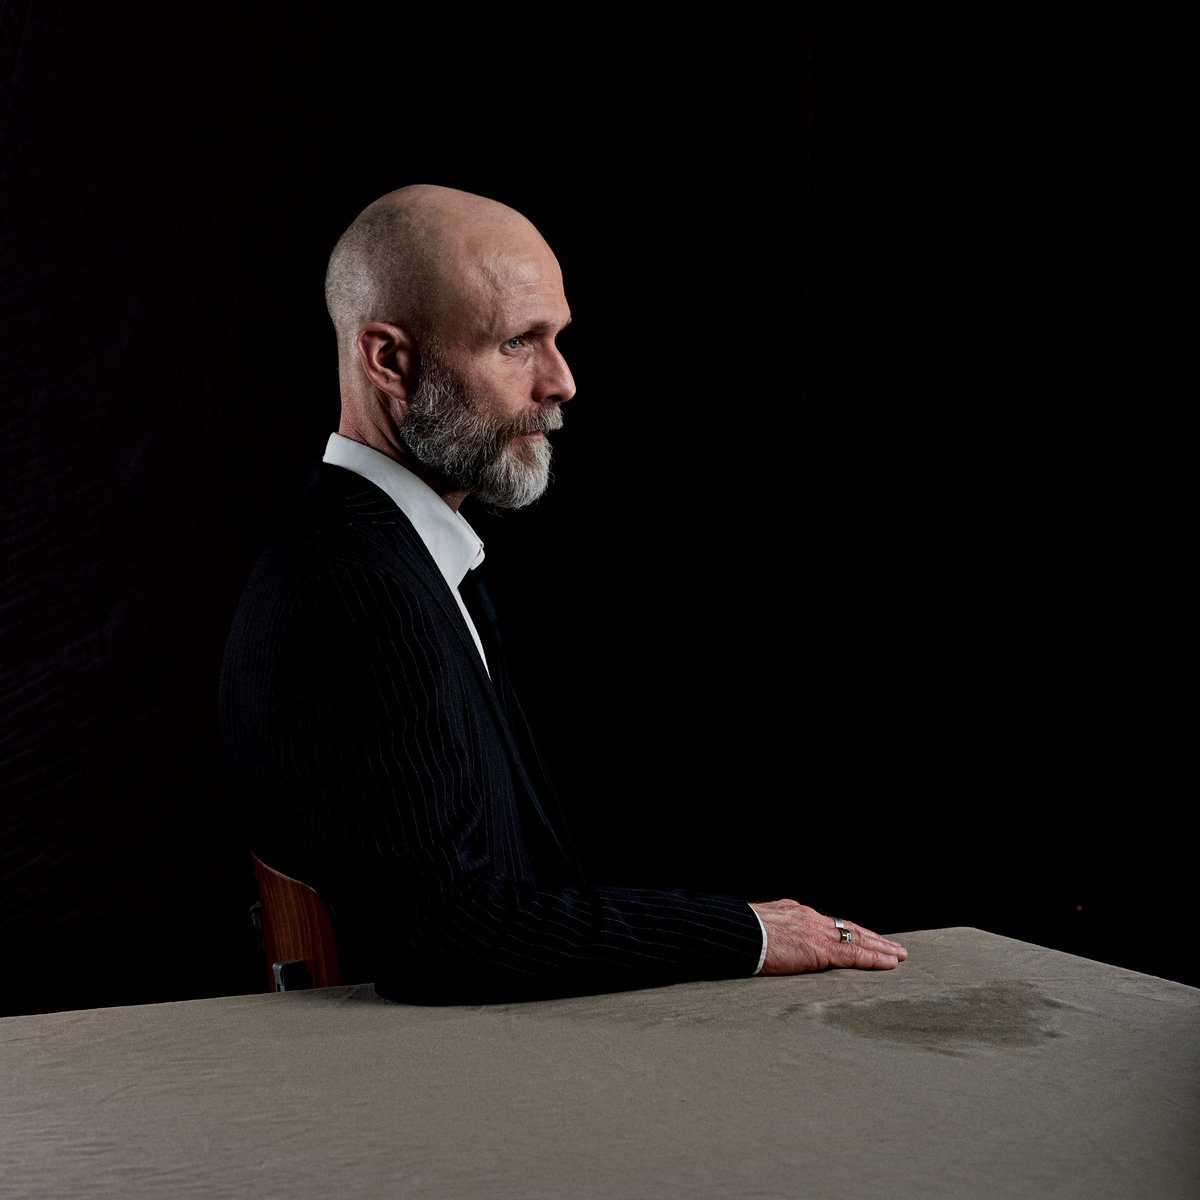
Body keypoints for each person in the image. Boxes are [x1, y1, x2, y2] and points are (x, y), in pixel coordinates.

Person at [220, 184, 906, 1001]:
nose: (562, 382)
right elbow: (446, 934)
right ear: (389, 361)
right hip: (428, 1069)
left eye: (557, 339)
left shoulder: (394, 555)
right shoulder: (358, 590)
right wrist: (745, 934)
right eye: (516, 342)